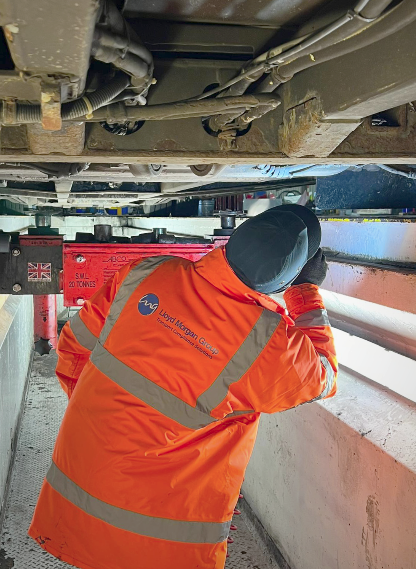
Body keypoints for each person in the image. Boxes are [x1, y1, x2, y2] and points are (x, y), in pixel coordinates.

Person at [29, 204, 337, 569]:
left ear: (232, 240)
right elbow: (324, 377)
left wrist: (106, 419)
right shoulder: (270, 344)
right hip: (162, 546)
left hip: (72, 503)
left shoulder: (147, 272)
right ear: (283, 283)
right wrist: (305, 293)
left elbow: (74, 346)